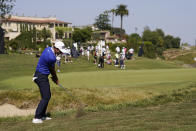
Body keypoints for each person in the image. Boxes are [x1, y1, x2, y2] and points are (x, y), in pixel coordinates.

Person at [32, 41, 66, 124]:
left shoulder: (47, 49)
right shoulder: (52, 57)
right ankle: (37, 117)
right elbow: (52, 69)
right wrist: (55, 78)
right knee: (46, 96)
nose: (61, 53)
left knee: (47, 95)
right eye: (60, 51)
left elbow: (51, 67)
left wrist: (54, 77)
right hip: (41, 76)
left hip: (42, 75)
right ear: (56, 48)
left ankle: (42, 115)